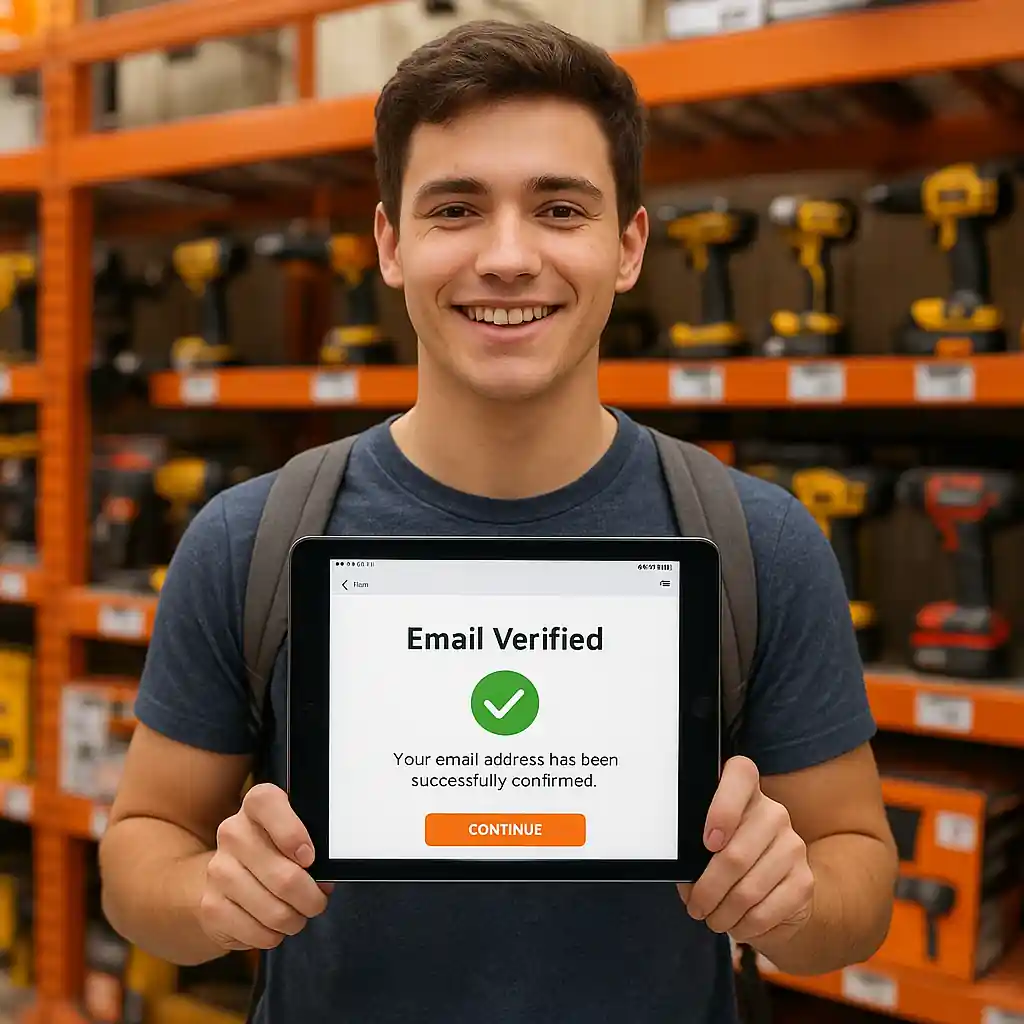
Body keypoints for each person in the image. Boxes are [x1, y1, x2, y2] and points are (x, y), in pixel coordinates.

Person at [99, 18, 897, 1023]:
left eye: (560, 208)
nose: (508, 257)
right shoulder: (250, 540)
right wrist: (208, 894)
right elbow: (140, 856)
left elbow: (858, 879)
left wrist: (794, 899)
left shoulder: (758, 543)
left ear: (629, 246)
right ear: (390, 244)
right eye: (455, 209)